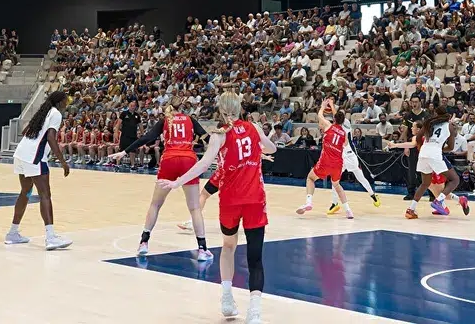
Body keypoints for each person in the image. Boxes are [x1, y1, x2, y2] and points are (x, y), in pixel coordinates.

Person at [160, 92, 277, 324]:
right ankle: (254, 311)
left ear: (221, 111)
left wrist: (177, 182)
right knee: (255, 257)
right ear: (240, 108)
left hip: (230, 201)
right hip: (255, 199)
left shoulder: (219, 135)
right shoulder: (254, 127)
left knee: (228, 246)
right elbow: (272, 148)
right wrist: (260, 149)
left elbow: (203, 164)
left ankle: (226, 298)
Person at [106, 103, 212, 259]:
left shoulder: (165, 120)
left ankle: (144, 241)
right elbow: (206, 137)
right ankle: (202, 249)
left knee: (155, 204)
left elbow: (147, 137)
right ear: (182, 108)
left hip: (169, 159)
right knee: (195, 208)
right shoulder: (190, 119)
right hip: (188, 160)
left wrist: (124, 151)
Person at [6, 90, 72, 250]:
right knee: (45, 195)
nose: (67, 104)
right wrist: (63, 161)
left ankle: (12, 233)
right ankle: (50, 238)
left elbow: (25, 131)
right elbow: (50, 137)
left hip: (21, 154)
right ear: (60, 101)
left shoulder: (44, 112)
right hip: (34, 157)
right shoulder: (56, 114)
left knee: (26, 192)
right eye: (66, 101)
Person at [405, 106, 470, 218]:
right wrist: (440, 149)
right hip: (435, 153)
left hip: (424, 152)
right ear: (448, 116)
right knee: (455, 179)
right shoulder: (449, 125)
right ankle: (439, 201)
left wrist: (423, 148)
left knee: (425, 183)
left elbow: (418, 137)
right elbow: (450, 147)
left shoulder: (429, 123)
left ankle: (411, 210)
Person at [296, 100, 353, 218]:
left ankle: (309, 202)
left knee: (310, 178)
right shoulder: (344, 134)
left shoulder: (329, 126)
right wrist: (332, 107)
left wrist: (323, 107)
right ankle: (348, 210)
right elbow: (344, 144)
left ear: (334, 119)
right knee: (337, 185)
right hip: (338, 164)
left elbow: (319, 115)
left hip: (326, 161)